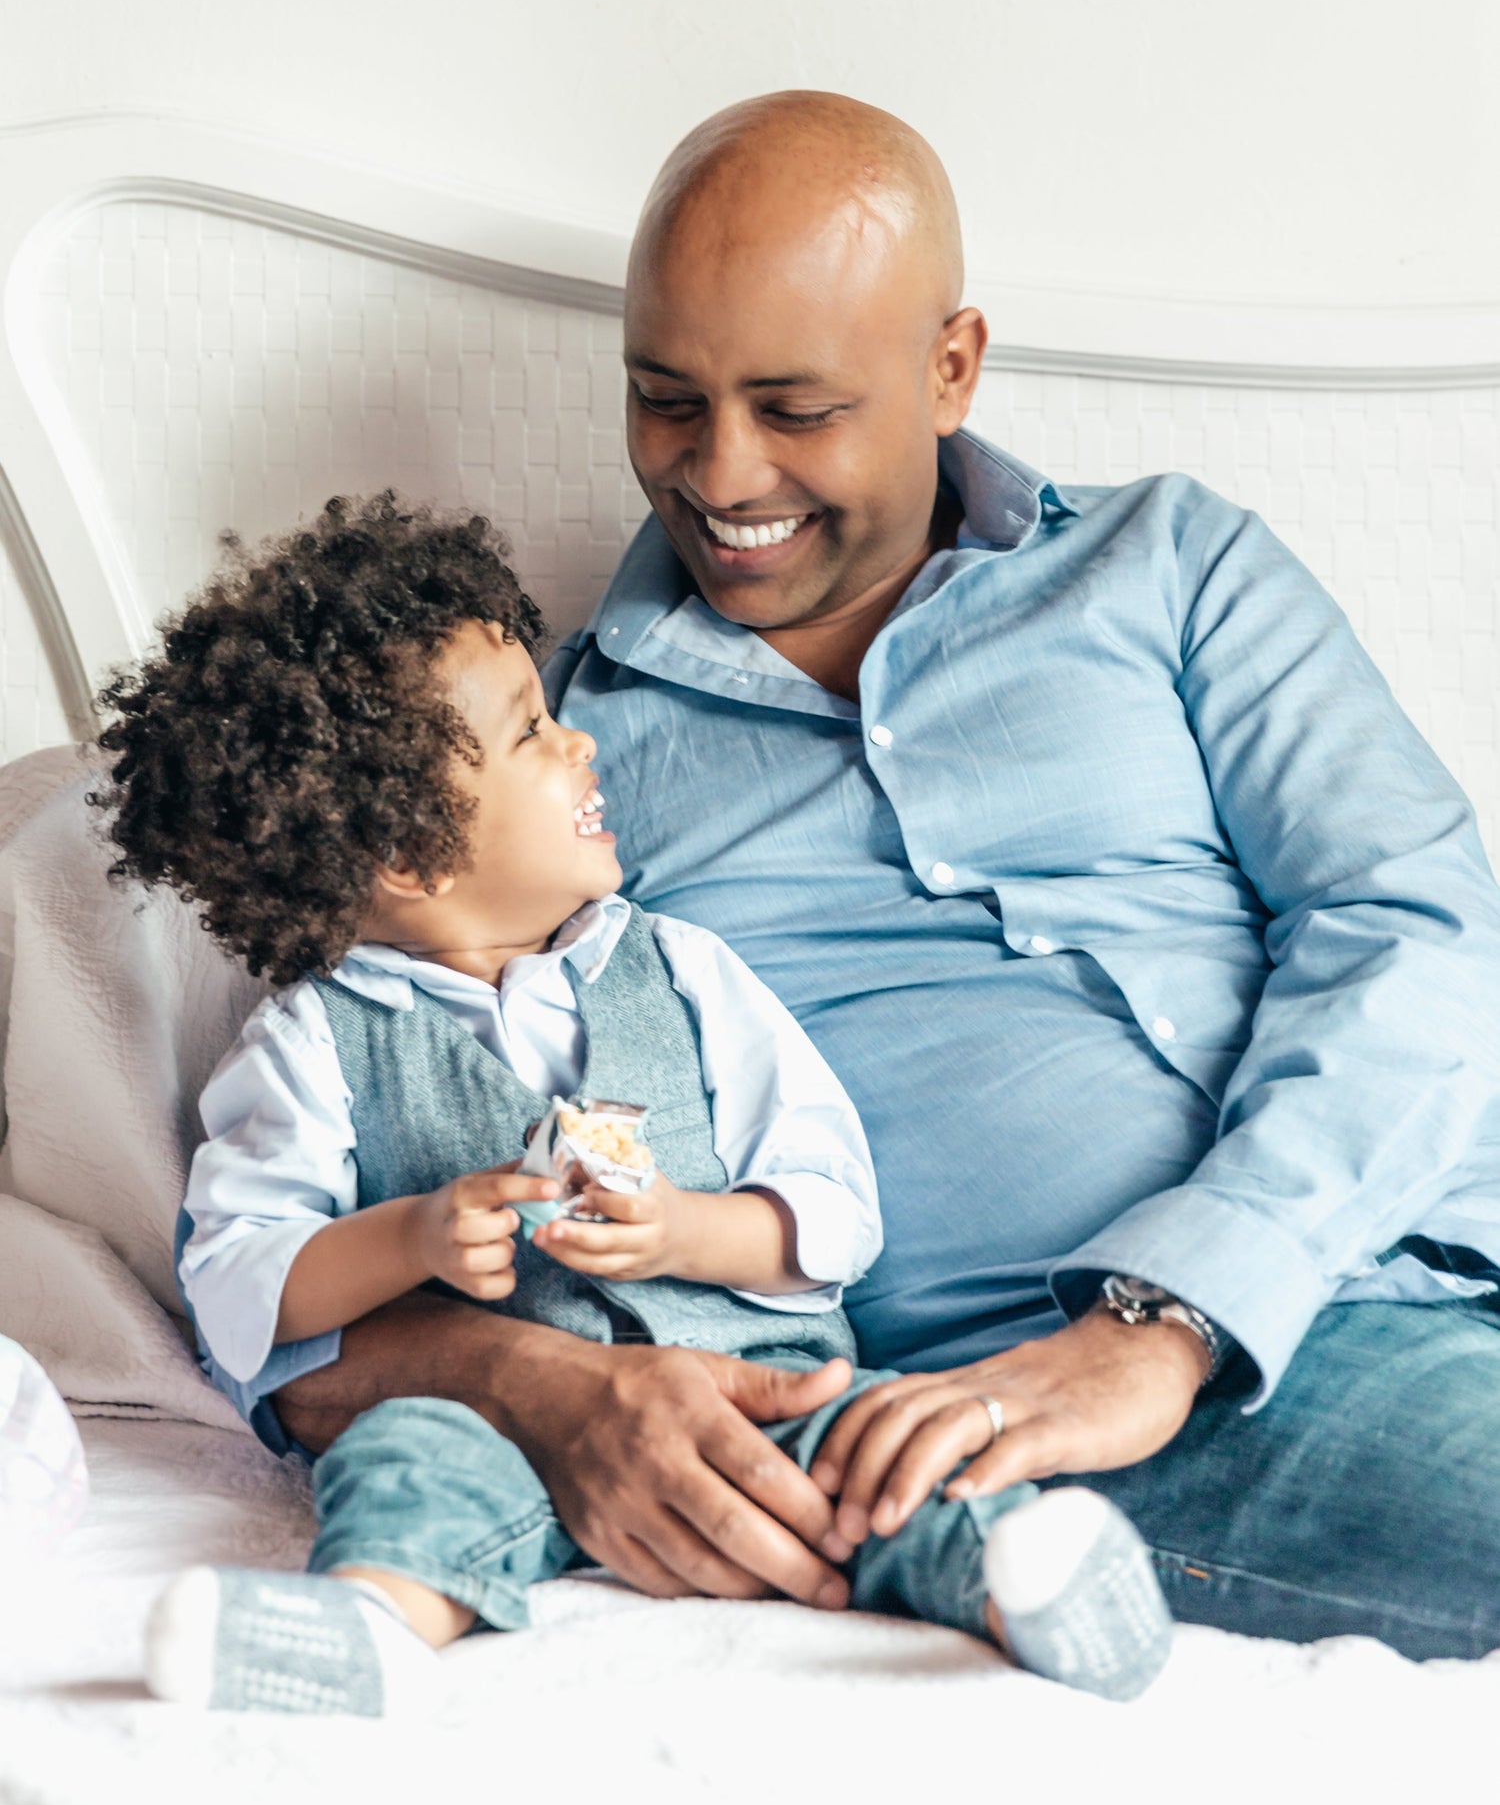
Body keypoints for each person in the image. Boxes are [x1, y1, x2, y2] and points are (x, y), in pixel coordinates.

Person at [192, 92, 1500, 1659]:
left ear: (951, 366)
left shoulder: (1176, 566)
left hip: (1389, 1252)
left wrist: (1176, 1311)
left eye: (796, 407)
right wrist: (555, 1390)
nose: (719, 471)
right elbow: (301, 1269)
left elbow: (1416, 922)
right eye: (665, 398)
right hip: (1009, 1413)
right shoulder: (534, 767)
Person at [94, 494, 1173, 1714]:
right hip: (499, 1430)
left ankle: (1021, 1586)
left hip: (768, 1390)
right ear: (410, 858)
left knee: (893, 1448)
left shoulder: (685, 970)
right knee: (407, 1461)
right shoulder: (312, 1047)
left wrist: (688, 1234)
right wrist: (409, 1237)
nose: (581, 746)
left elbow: (832, 1203)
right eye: (532, 735)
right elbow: (238, 1285)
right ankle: (369, 1628)